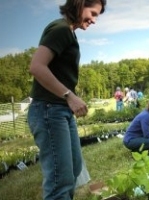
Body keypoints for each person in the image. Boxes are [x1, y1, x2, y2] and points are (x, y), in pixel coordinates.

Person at [27, 1, 106, 199]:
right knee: (59, 180)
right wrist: (69, 95)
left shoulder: (69, 32)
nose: (94, 20)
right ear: (79, 4)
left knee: (74, 168)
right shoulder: (61, 29)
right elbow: (36, 66)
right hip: (49, 110)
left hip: (60, 110)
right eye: (93, 13)